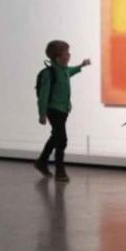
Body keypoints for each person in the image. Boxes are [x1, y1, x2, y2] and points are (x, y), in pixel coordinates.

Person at [35, 40, 90, 182]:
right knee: (62, 140)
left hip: (64, 110)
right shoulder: (50, 73)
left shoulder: (64, 70)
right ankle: (59, 170)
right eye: (66, 54)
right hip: (54, 110)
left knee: (56, 136)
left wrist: (81, 65)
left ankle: (42, 161)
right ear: (58, 58)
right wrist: (42, 114)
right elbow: (43, 96)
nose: (69, 55)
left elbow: (70, 71)